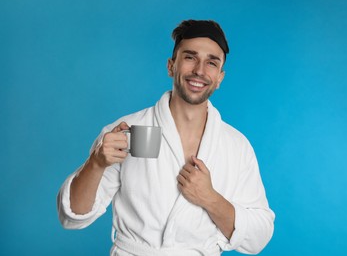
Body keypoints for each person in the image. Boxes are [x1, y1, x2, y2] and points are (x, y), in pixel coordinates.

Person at [57, 19, 275, 256]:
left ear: (220, 77)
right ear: (171, 66)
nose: (200, 71)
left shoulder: (235, 146)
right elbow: (72, 217)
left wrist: (210, 199)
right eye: (190, 57)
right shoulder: (128, 131)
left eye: (211, 62)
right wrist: (96, 164)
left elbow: (258, 238)